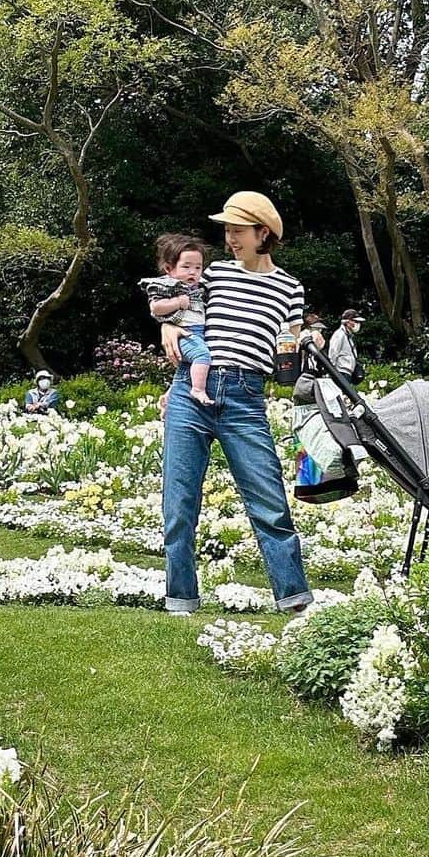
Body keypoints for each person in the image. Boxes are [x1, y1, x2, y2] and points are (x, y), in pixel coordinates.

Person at [159, 190, 314, 616]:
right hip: (192, 393)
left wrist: (309, 340)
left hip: (245, 398)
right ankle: (181, 600)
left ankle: (294, 599)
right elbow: (176, 307)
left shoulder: (289, 287)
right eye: (227, 230)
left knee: (269, 502)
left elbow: (291, 340)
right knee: (179, 502)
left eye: (237, 230)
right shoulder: (215, 276)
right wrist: (167, 330)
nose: (229, 238)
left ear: (263, 233)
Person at [141, 233, 213, 405]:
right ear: (169, 269)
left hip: (197, 333)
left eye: (197, 267)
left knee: (187, 369)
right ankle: (197, 389)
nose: (192, 272)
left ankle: (169, 397)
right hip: (184, 333)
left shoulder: (199, 287)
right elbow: (155, 308)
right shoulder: (166, 285)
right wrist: (178, 302)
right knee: (202, 356)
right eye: (186, 267)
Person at [328, 308, 365, 383]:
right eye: (355, 321)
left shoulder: (349, 336)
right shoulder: (339, 334)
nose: (358, 324)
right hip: (341, 372)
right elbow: (333, 353)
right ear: (347, 322)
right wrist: (332, 371)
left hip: (347, 372)